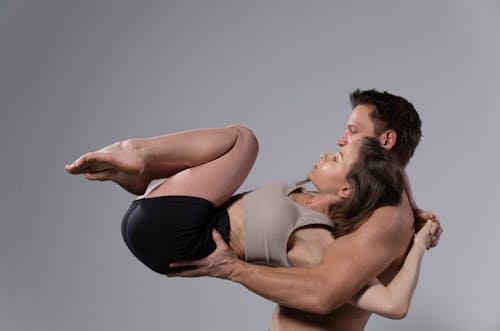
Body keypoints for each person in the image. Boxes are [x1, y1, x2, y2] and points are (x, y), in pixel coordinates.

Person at [65, 124, 435, 323]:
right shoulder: (302, 192)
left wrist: (418, 242)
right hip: (162, 213)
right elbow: (389, 171)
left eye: (336, 157)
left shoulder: (315, 239)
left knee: (244, 141)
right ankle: (136, 172)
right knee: (237, 143)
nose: (326, 152)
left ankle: (135, 157)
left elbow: (390, 304)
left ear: (345, 188)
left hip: (177, 236)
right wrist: (416, 205)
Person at [168, 89, 443, 331]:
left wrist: (233, 269)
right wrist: (417, 209)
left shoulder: (387, 216)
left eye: (354, 131)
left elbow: (323, 293)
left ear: (386, 140)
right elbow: (394, 170)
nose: (341, 140)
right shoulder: (378, 197)